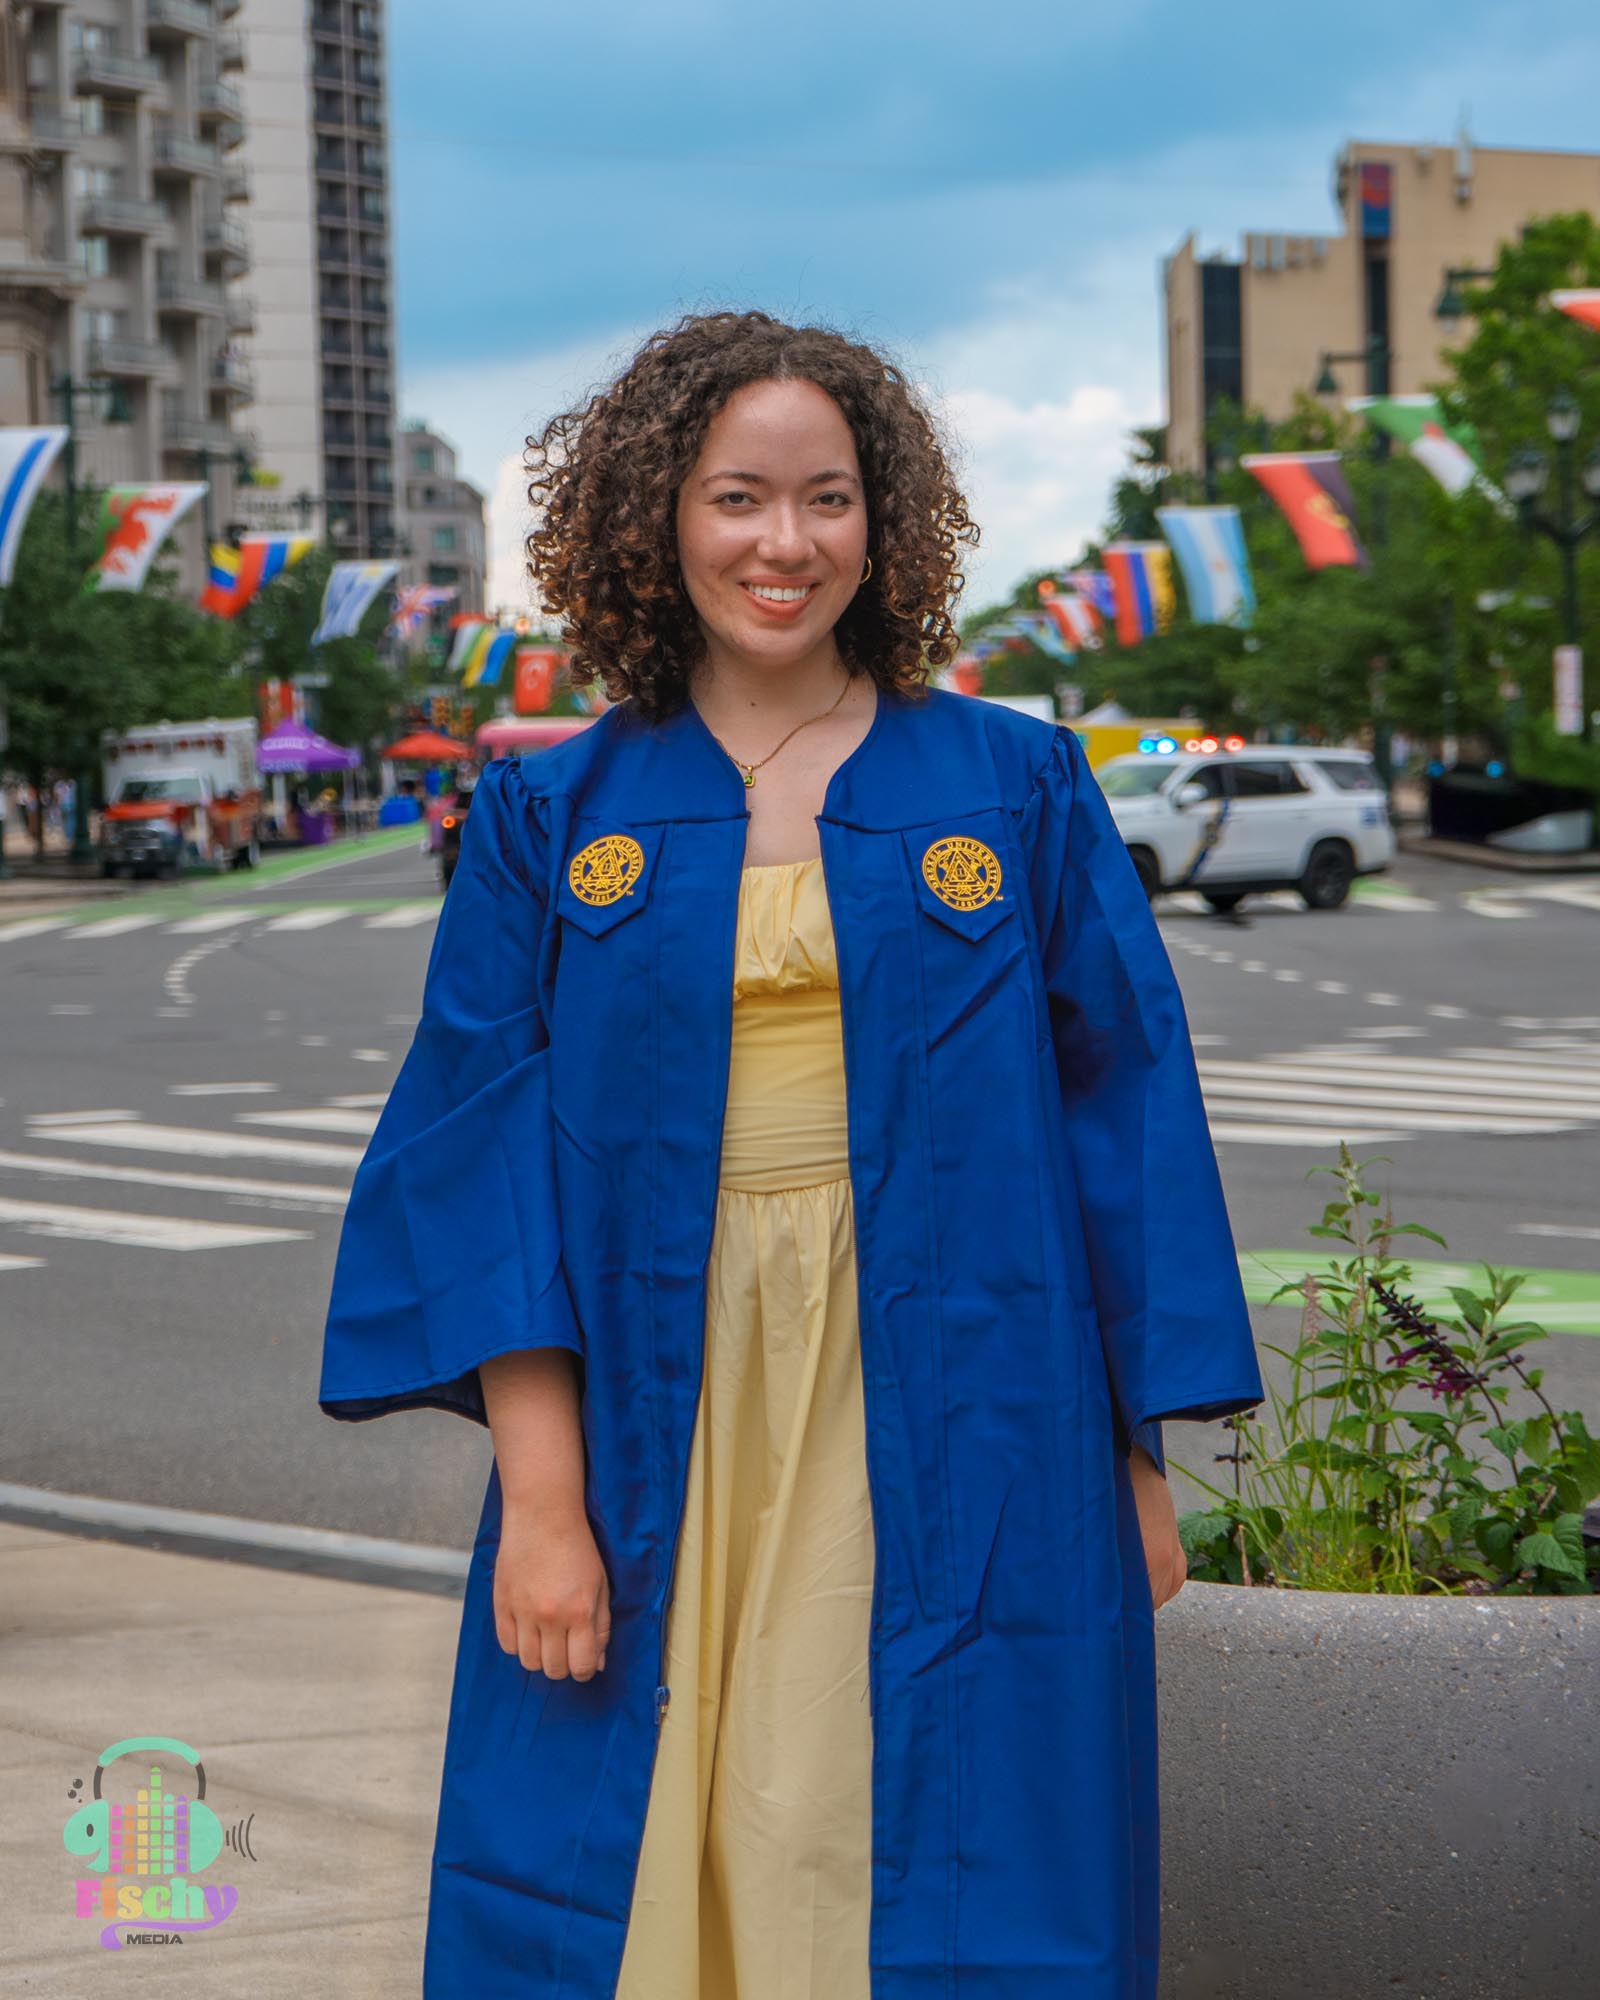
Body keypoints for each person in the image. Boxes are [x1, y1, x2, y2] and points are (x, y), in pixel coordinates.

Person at [319, 310, 1265, 2000]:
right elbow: (480, 1161)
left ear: (882, 524)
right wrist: (544, 1499)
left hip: (974, 1382)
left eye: (827, 499)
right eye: (737, 497)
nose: (784, 544)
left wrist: (1136, 1462)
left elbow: (1123, 1122)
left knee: (936, 1810)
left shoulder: (1015, 786)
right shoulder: (555, 815)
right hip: (653, 1385)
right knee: (644, 1815)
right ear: (657, 518)